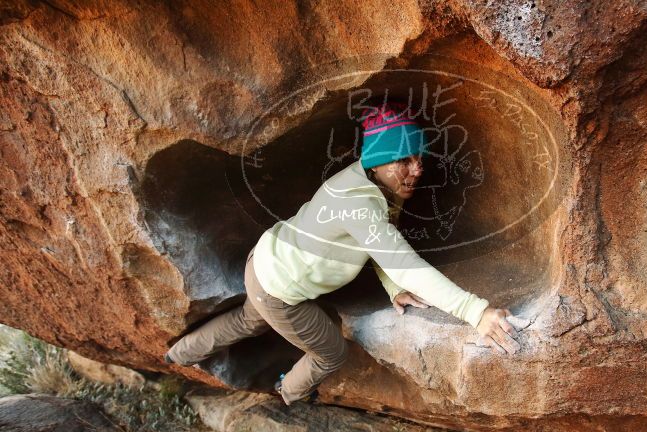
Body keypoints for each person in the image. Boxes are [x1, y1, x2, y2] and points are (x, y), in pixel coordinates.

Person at [165, 101, 521, 405]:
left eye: (418, 157)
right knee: (331, 351)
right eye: (403, 159)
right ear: (379, 161)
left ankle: (176, 355)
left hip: (263, 262)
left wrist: (394, 289)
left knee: (248, 320)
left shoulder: (365, 180)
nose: (417, 169)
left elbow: (382, 243)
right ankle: (287, 392)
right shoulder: (360, 203)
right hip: (278, 290)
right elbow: (402, 261)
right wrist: (476, 312)